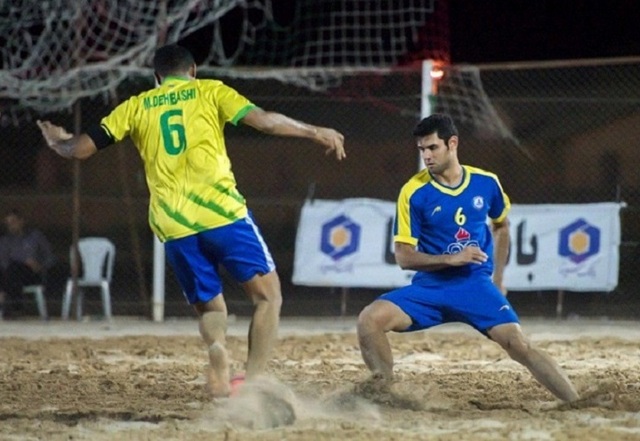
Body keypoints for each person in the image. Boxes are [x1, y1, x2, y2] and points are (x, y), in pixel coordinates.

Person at [37, 44, 346, 397]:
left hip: (175, 227)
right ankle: (255, 381)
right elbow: (264, 120)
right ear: (193, 70)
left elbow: (80, 149)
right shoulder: (210, 91)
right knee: (268, 298)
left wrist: (57, 140)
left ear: (157, 78)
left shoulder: (136, 106)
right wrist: (313, 131)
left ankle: (217, 350)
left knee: (211, 307)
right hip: (223, 215)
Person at [356, 114, 579, 403]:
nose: (426, 156)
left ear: (452, 144)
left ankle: (575, 401)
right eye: (421, 149)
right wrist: (450, 260)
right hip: (430, 289)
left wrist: (498, 278)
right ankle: (384, 393)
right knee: (368, 320)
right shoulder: (413, 192)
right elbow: (404, 257)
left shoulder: (486, 183)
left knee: (518, 345)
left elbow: (501, 227)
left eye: (432, 148)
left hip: (475, 285)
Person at [0, 210, 56, 319]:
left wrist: (39, 266)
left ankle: (13, 306)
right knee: (12, 269)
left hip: (31, 273)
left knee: (14, 270)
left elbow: (51, 258)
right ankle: (13, 307)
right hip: (9, 273)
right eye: (8, 224)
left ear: (21, 221)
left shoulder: (35, 237)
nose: (10, 226)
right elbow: (3, 261)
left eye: (13, 222)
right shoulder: (4, 241)